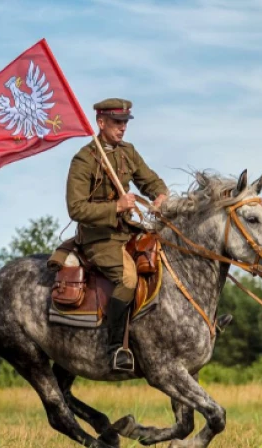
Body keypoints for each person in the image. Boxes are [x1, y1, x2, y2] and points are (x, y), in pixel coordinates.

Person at [66, 98, 168, 371]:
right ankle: (114, 348)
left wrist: (159, 196)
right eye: (117, 123)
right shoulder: (84, 159)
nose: (123, 128)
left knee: (167, 258)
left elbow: (151, 181)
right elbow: (75, 208)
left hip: (127, 232)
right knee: (128, 278)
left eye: (125, 123)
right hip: (99, 239)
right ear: (101, 123)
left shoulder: (128, 152)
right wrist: (117, 207)